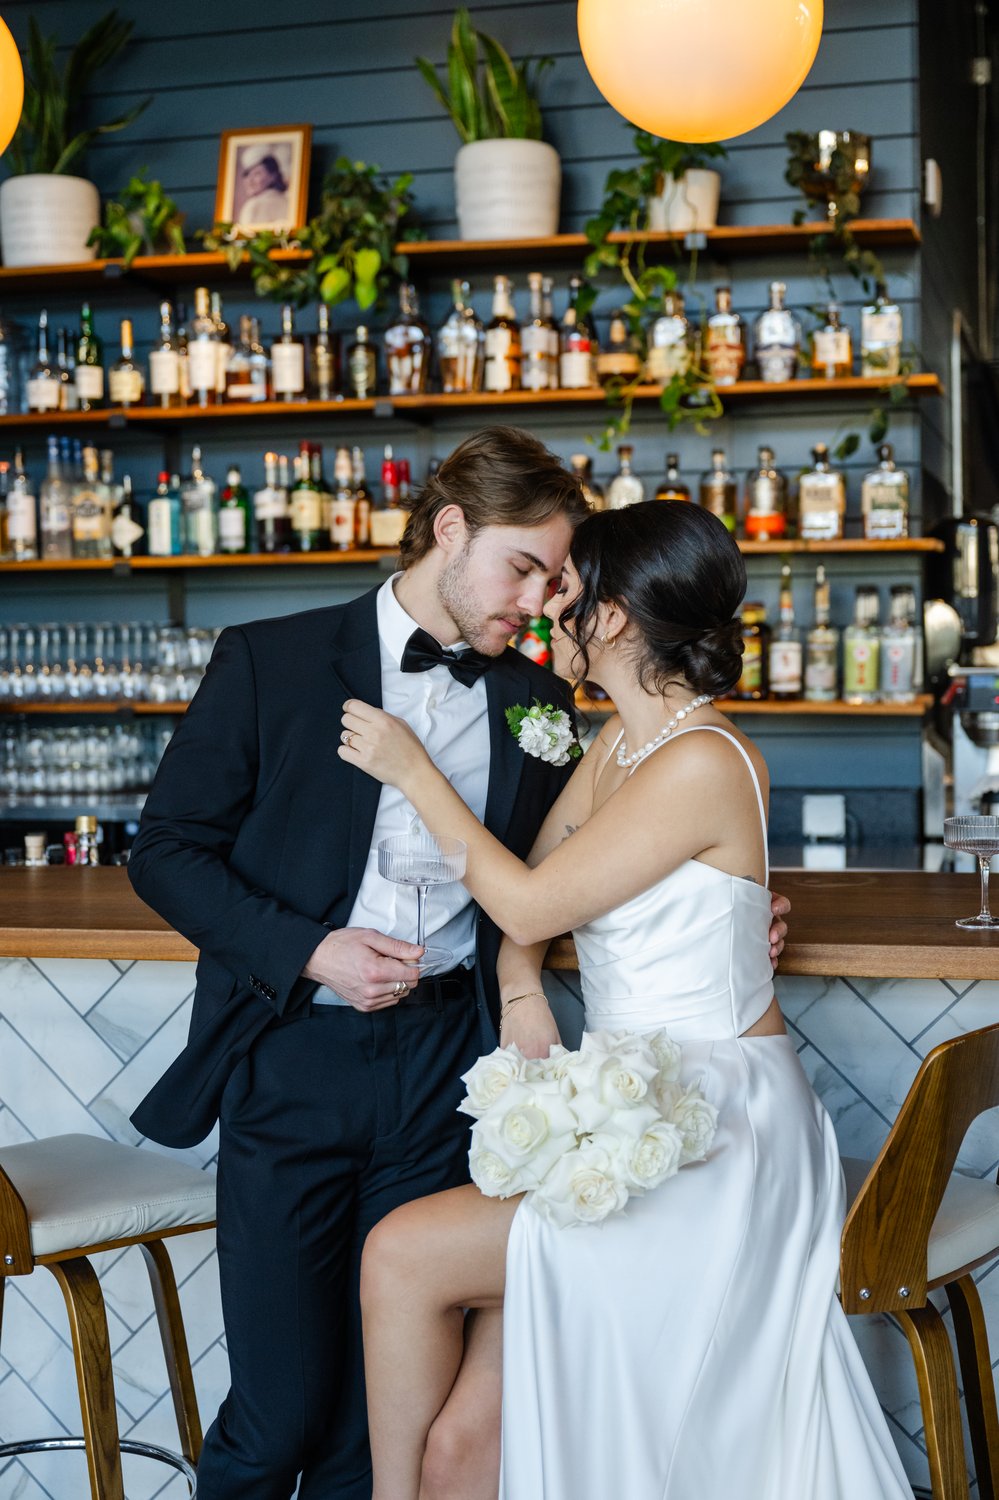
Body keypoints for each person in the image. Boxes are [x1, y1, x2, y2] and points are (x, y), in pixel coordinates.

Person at [342, 501, 912, 1500]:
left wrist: (412, 770)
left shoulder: (701, 760)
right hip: (627, 1105)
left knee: (400, 1256)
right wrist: (522, 987)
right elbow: (527, 904)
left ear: (609, 620)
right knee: (460, 1448)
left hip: (717, 1134)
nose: (544, 606)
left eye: (564, 591)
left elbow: (519, 896)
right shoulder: (614, 747)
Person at [238, 147, 291, 227]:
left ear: (273, 176)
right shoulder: (286, 201)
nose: (250, 180)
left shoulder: (255, 205)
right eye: (247, 174)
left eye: (257, 174)